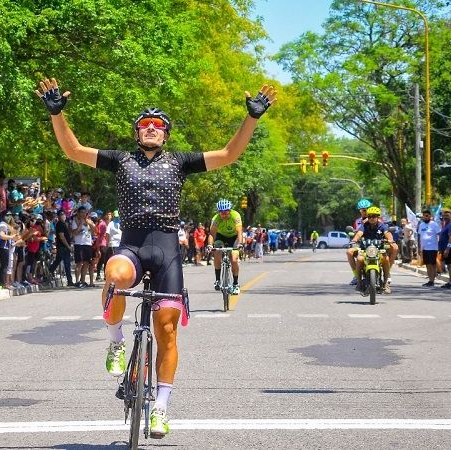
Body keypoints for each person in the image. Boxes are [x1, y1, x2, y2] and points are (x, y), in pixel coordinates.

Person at [36, 76, 276, 437]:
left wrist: (251, 118)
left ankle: (161, 407)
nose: (151, 128)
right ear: (137, 133)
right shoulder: (120, 160)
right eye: (145, 124)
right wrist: (57, 115)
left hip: (167, 251)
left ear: (166, 134)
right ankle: (116, 341)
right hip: (132, 245)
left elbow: (229, 154)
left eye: (158, 125)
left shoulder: (180, 162)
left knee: (167, 332)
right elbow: (74, 150)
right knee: (114, 275)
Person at [350, 206, 395, 294]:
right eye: (369, 216)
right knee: (359, 259)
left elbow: (387, 233)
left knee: (386, 259)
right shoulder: (364, 226)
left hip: (379, 250)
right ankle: (359, 282)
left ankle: (386, 283)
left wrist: (390, 239)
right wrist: (355, 239)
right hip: (365, 249)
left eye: (373, 216)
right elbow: (359, 233)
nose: (371, 218)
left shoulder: (383, 226)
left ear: (378, 217)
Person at [207, 200, 244, 294]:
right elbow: (212, 233)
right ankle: (218, 280)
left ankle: (235, 284)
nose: (223, 214)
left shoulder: (235, 216)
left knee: (234, 259)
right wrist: (210, 245)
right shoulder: (216, 218)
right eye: (221, 212)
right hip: (221, 237)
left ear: (230, 210)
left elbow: (239, 231)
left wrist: (240, 244)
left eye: (225, 212)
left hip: (234, 237)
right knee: (217, 252)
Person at [347, 199, 372, 285]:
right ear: (360, 211)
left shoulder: (377, 219)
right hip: (361, 245)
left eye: (366, 209)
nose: (365, 212)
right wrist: (353, 236)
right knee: (349, 252)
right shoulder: (357, 221)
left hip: (375, 245)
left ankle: (387, 275)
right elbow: (354, 232)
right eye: (362, 210)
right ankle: (356, 276)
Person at [70, 206, 96, 287]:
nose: (83, 214)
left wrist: (90, 224)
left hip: (87, 244)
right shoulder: (75, 221)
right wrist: (81, 224)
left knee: (86, 263)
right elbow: (74, 233)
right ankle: (77, 281)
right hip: (79, 244)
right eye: (81, 212)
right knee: (79, 263)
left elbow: (94, 232)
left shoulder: (88, 221)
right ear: (78, 213)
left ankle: (83, 281)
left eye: (85, 212)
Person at [49, 210, 74, 286]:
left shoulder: (64, 224)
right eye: (61, 214)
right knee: (67, 263)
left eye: (64, 214)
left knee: (58, 261)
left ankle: (49, 271)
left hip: (63, 247)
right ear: (58, 216)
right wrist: (68, 246)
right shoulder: (60, 224)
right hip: (63, 247)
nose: (63, 216)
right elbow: (61, 236)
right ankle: (69, 280)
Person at [438, 210, 451, 288]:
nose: (445, 217)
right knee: (449, 266)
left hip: (450, 249)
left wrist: (447, 249)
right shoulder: (445, 225)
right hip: (445, 249)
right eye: (444, 216)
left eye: (447, 216)